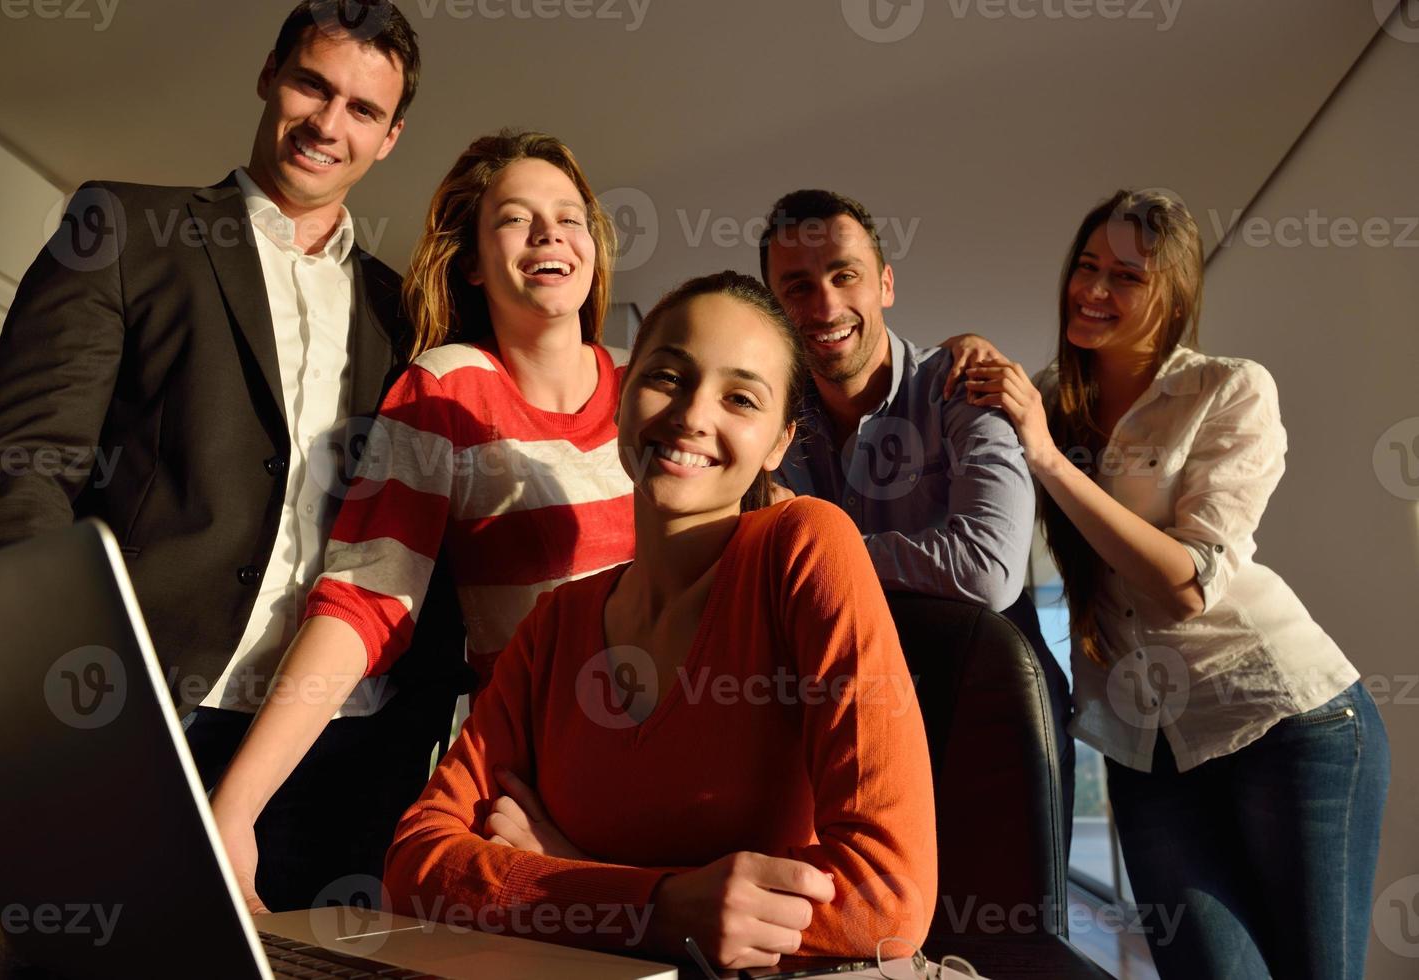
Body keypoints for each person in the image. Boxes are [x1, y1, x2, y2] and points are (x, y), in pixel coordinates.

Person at [0, 0, 428, 912]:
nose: (329, 125)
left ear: (391, 136)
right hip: (140, 715)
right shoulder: (123, 229)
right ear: (268, 75)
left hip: (337, 750)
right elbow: (24, 471)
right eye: (312, 85)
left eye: (363, 110)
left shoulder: (406, 310)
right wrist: (55, 695)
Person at [382, 272, 937, 971]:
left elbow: (885, 900)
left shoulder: (804, 545)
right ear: (620, 399)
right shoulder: (556, 624)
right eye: (669, 377)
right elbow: (415, 865)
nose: (693, 415)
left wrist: (571, 872)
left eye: (740, 397)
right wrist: (658, 908)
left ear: (777, 443)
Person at [963, 188, 1389, 978]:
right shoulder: (1054, 402)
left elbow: (1187, 585)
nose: (1092, 291)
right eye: (1086, 267)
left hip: (1283, 720)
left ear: (1175, 295)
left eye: (1126, 276)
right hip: (1141, 744)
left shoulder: (1229, 389)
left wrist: (1049, 457)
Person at [211, 130, 637, 913]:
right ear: (473, 261)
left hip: (685, 766)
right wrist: (234, 811)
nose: (549, 233)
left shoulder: (653, 387)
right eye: (515, 218)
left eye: (569, 216)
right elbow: (367, 600)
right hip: (546, 794)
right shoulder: (444, 389)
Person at [757, 189, 1073, 849]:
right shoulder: (773, 425)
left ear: (886, 284)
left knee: (1003, 942)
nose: (825, 305)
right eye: (797, 287)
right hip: (844, 729)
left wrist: (822, 553)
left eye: (845, 275)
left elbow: (987, 571)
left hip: (986, 720)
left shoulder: (966, 386)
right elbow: (760, 577)